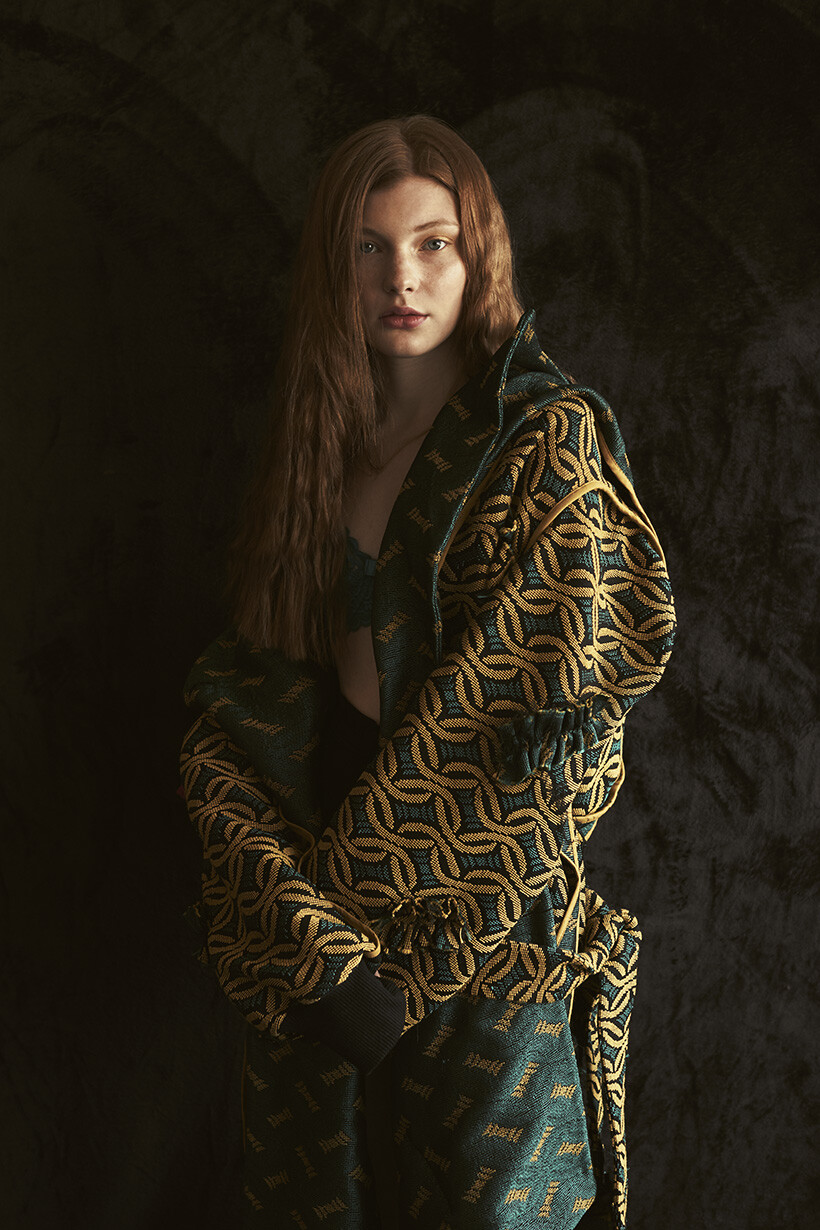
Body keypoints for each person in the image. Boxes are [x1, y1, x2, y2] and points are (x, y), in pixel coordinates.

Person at [179, 115, 675, 1229]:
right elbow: (244, 713)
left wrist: (375, 971)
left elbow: (549, 752)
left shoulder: (540, 444)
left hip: (481, 943)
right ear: (333, 264)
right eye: (369, 247)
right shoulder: (321, 450)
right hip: (323, 958)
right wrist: (307, 940)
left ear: (477, 254)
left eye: (432, 243)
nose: (401, 278)